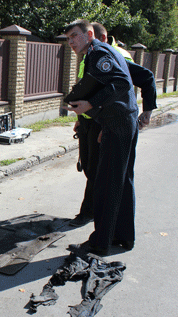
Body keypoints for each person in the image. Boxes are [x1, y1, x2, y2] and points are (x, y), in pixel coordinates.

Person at [70, 22, 157, 228]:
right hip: (91, 120)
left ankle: (97, 222)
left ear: (96, 38)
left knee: (107, 178)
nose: (72, 42)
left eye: (75, 36)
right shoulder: (90, 55)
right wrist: (80, 118)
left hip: (110, 121)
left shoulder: (112, 54)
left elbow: (136, 80)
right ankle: (102, 222)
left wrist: (147, 110)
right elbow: (89, 88)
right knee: (92, 170)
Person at [64, 19, 139, 256]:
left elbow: (120, 83)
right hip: (120, 122)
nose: (71, 42)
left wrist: (89, 103)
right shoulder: (102, 52)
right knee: (122, 182)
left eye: (75, 36)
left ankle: (101, 242)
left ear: (89, 34)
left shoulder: (98, 52)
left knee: (107, 184)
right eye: (68, 39)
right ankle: (123, 237)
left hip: (119, 123)